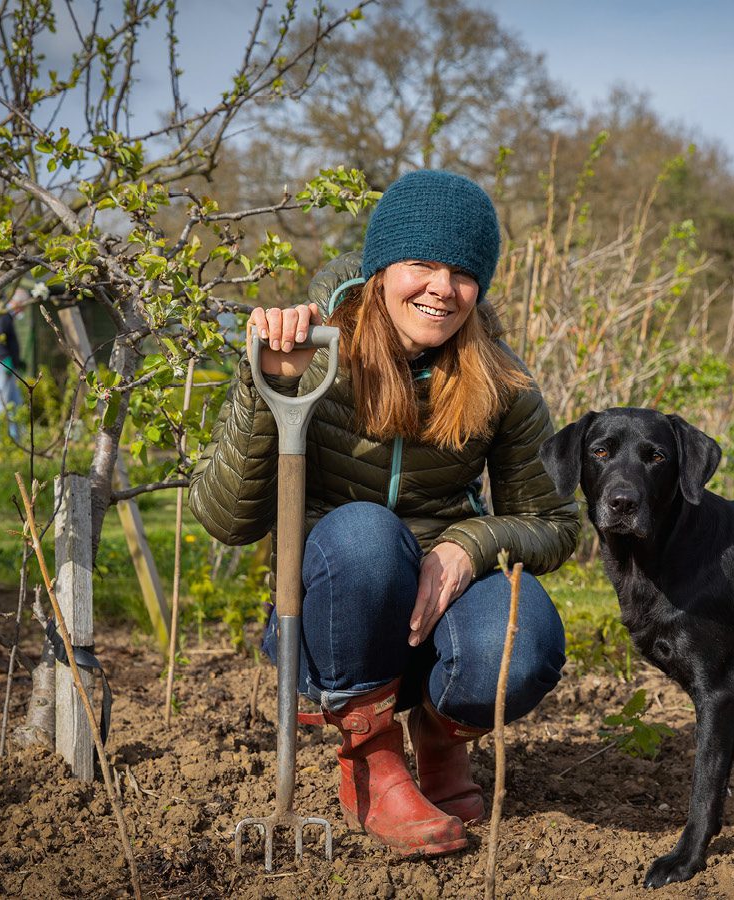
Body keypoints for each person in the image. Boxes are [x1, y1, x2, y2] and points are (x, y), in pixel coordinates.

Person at [189, 170, 578, 857]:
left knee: (527, 644)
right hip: (332, 615)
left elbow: (555, 524)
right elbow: (226, 521)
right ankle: (370, 756)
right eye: (421, 264)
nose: (441, 288)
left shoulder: (503, 382)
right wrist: (266, 387)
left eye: (463, 272)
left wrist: (469, 544)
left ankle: (439, 736)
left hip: (437, 606)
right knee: (365, 532)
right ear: (380, 269)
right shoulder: (313, 350)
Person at [0, 288, 31, 453]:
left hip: (5, 365)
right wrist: (7, 361)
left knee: (15, 404)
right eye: (23, 307)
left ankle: (19, 443)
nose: (23, 311)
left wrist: (17, 361)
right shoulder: (3, 315)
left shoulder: (7, 317)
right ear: (18, 303)